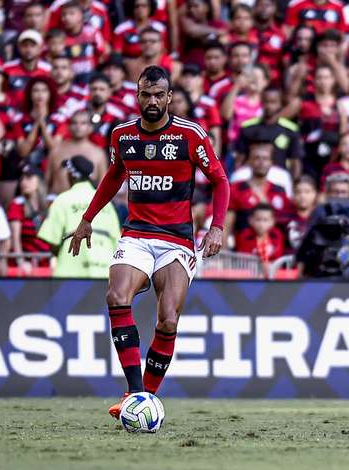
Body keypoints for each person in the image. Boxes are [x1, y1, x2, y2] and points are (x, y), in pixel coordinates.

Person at [67, 65, 229, 417]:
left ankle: (145, 394)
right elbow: (114, 176)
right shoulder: (122, 135)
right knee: (116, 296)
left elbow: (220, 180)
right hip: (137, 234)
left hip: (177, 241)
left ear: (170, 97)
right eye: (146, 94)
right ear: (136, 95)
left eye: (159, 94)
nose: (152, 101)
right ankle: (136, 396)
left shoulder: (191, 135)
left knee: (167, 319)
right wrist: (86, 219)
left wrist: (217, 226)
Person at [38, 154, 120, 277]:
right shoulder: (107, 203)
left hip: (70, 274)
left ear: (70, 174)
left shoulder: (62, 200)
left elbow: (52, 241)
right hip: (104, 272)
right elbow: (117, 242)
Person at [295, 172, 349, 279]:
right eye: (335, 192)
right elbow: (307, 243)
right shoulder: (320, 213)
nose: (339, 196)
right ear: (328, 194)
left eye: (343, 192)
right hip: (321, 274)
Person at [234, 86, 302, 178]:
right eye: (266, 102)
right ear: (261, 103)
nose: (269, 106)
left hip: (279, 176)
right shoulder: (248, 128)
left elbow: (295, 161)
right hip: (252, 176)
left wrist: (294, 184)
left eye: (273, 102)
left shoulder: (290, 130)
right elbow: (240, 159)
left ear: (280, 104)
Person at [46, 109, 107, 195]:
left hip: (87, 206)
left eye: (83, 123)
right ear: (68, 126)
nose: (78, 126)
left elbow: (104, 187)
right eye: (74, 123)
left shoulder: (99, 154)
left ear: (90, 127)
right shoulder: (56, 151)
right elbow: (46, 183)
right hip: (58, 204)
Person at [7, 164, 51, 273]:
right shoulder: (17, 205)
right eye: (22, 179)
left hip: (46, 263)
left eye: (29, 178)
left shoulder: (51, 204)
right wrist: (21, 262)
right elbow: (15, 239)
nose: (23, 182)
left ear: (39, 182)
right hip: (25, 265)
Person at [235, 202, 284, 277]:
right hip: (250, 275)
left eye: (265, 220)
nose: (261, 224)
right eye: (258, 220)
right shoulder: (245, 235)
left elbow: (278, 257)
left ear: (272, 221)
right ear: (250, 220)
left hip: (274, 274)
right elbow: (243, 258)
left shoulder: (276, 235)